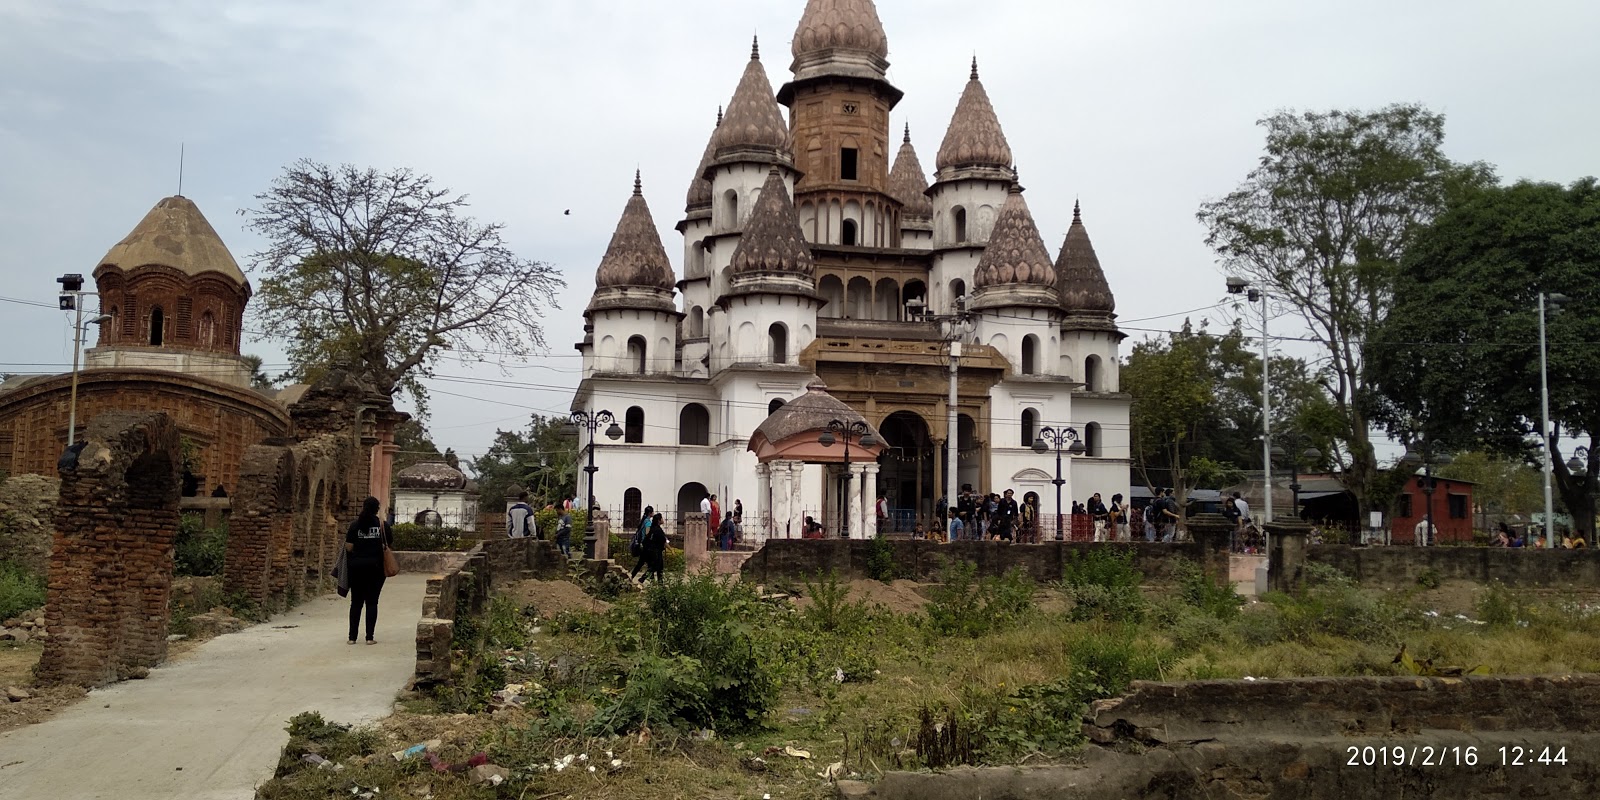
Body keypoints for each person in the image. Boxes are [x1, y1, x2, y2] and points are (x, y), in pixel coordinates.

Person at [344, 496, 392, 645]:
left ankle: (352, 638)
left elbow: (349, 547)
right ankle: (369, 637)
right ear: (377, 509)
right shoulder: (382, 526)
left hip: (356, 568)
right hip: (376, 569)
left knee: (356, 603)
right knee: (372, 602)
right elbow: (388, 544)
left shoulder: (354, 525)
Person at [629, 505, 655, 582]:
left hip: (643, 546)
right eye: (652, 512)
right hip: (646, 546)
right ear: (650, 513)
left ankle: (632, 577)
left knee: (642, 564)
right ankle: (641, 579)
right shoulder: (648, 522)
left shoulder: (644, 521)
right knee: (652, 564)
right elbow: (647, 534)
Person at [642, 511, 668, 581]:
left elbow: (647, 538)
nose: (663, 520)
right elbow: (664, 541)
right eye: (661, 519)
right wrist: (671, 551)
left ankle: (660, 585)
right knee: (654, 567)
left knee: (659, 568)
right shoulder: (658, 530)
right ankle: (642, 578)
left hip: (651, 550)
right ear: (659, 520)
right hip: (656, 551)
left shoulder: (652, 528)